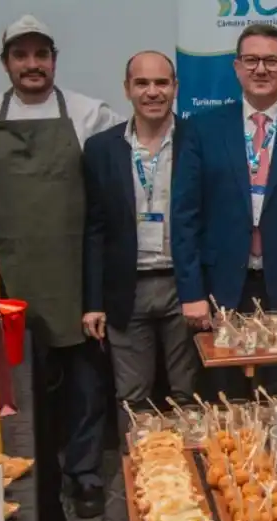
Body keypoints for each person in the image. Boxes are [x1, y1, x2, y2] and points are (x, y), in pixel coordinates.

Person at [0, 15, 123, 518]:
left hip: (74, 273)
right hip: (5, 278)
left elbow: (112, 194)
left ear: (54, 59)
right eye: (21, 55)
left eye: (41, 54)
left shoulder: (90, 115)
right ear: (6, 64)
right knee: (15, 386)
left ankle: (83, 475)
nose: (32, 64)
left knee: (86, 383)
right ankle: (25, 475)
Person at [172, 24, 277, 325]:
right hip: (218, 289)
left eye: (271, 61)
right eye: (251, 60)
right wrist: (191, 292)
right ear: (237, 67)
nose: (261, 69)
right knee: (225, 372)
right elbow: (185, 217)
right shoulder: (202, 129)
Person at [82, 52, 200, 416]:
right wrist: (93, 301)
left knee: (190, 396)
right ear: (127, 89)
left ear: (176, 88)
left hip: (185, 287)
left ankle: (191, 470)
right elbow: (95, 228)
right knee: (133, 400)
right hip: (126, 290)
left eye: (162, 83)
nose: (153, 92)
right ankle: (143, 473)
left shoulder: (199, 139)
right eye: (142, 83)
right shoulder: (101, 148)